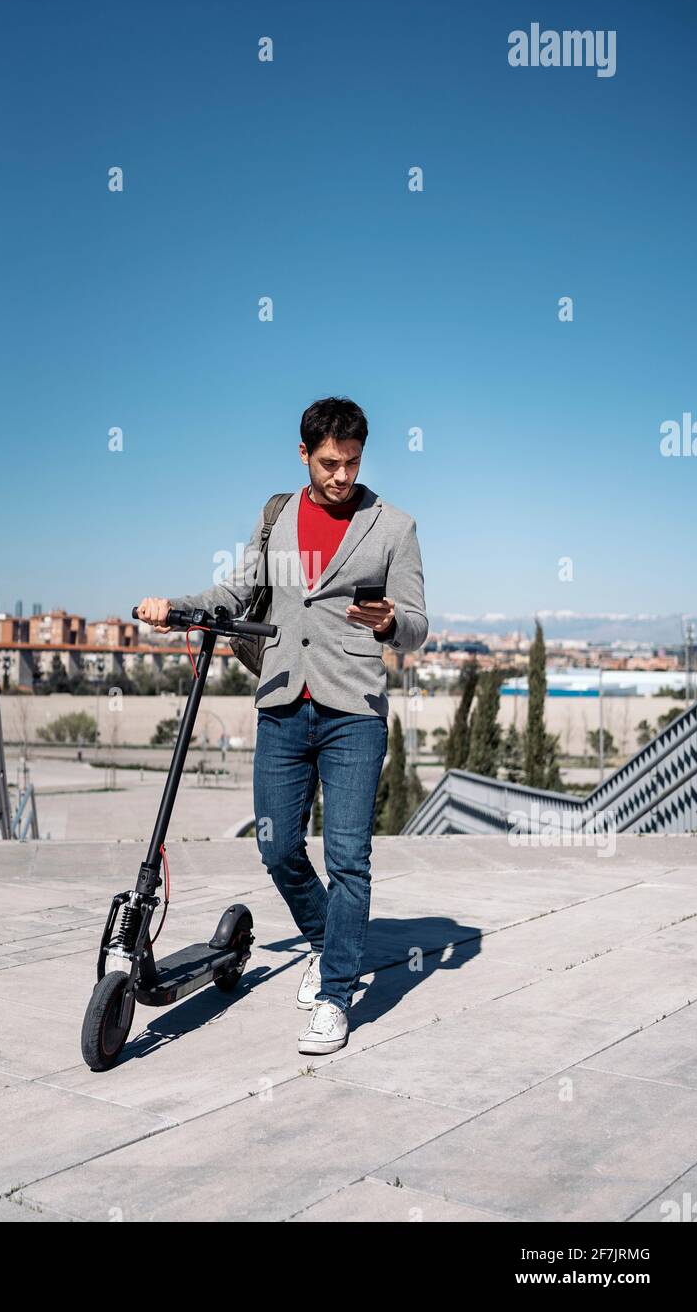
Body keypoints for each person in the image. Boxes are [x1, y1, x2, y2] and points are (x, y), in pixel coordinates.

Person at [136, 397, 428, 1054]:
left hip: (353, 712)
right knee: (276, 849)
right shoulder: (278, 518)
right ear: (305, 455)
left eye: (352, 463)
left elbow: (417, 624)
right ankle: (329, 943)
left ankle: (334, 992)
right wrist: (174, 609)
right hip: (281, 704)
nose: (341, 476)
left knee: (349, 859)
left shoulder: (394, 527)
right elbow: (234, 593)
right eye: (329, 463)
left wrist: (389, 623)